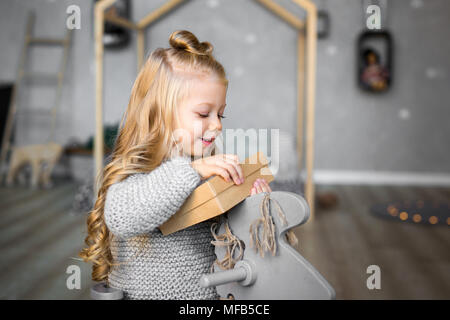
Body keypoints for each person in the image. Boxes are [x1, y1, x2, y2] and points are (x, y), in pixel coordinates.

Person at [79, 30, 272, 299]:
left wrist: (254, 206)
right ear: (160, 113)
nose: (217, 124)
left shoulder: (204, 168)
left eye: (221, 114)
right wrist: (192, 171)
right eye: (204, 113)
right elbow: (121, 216)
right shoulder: (140, 169)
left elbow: (229, 236)